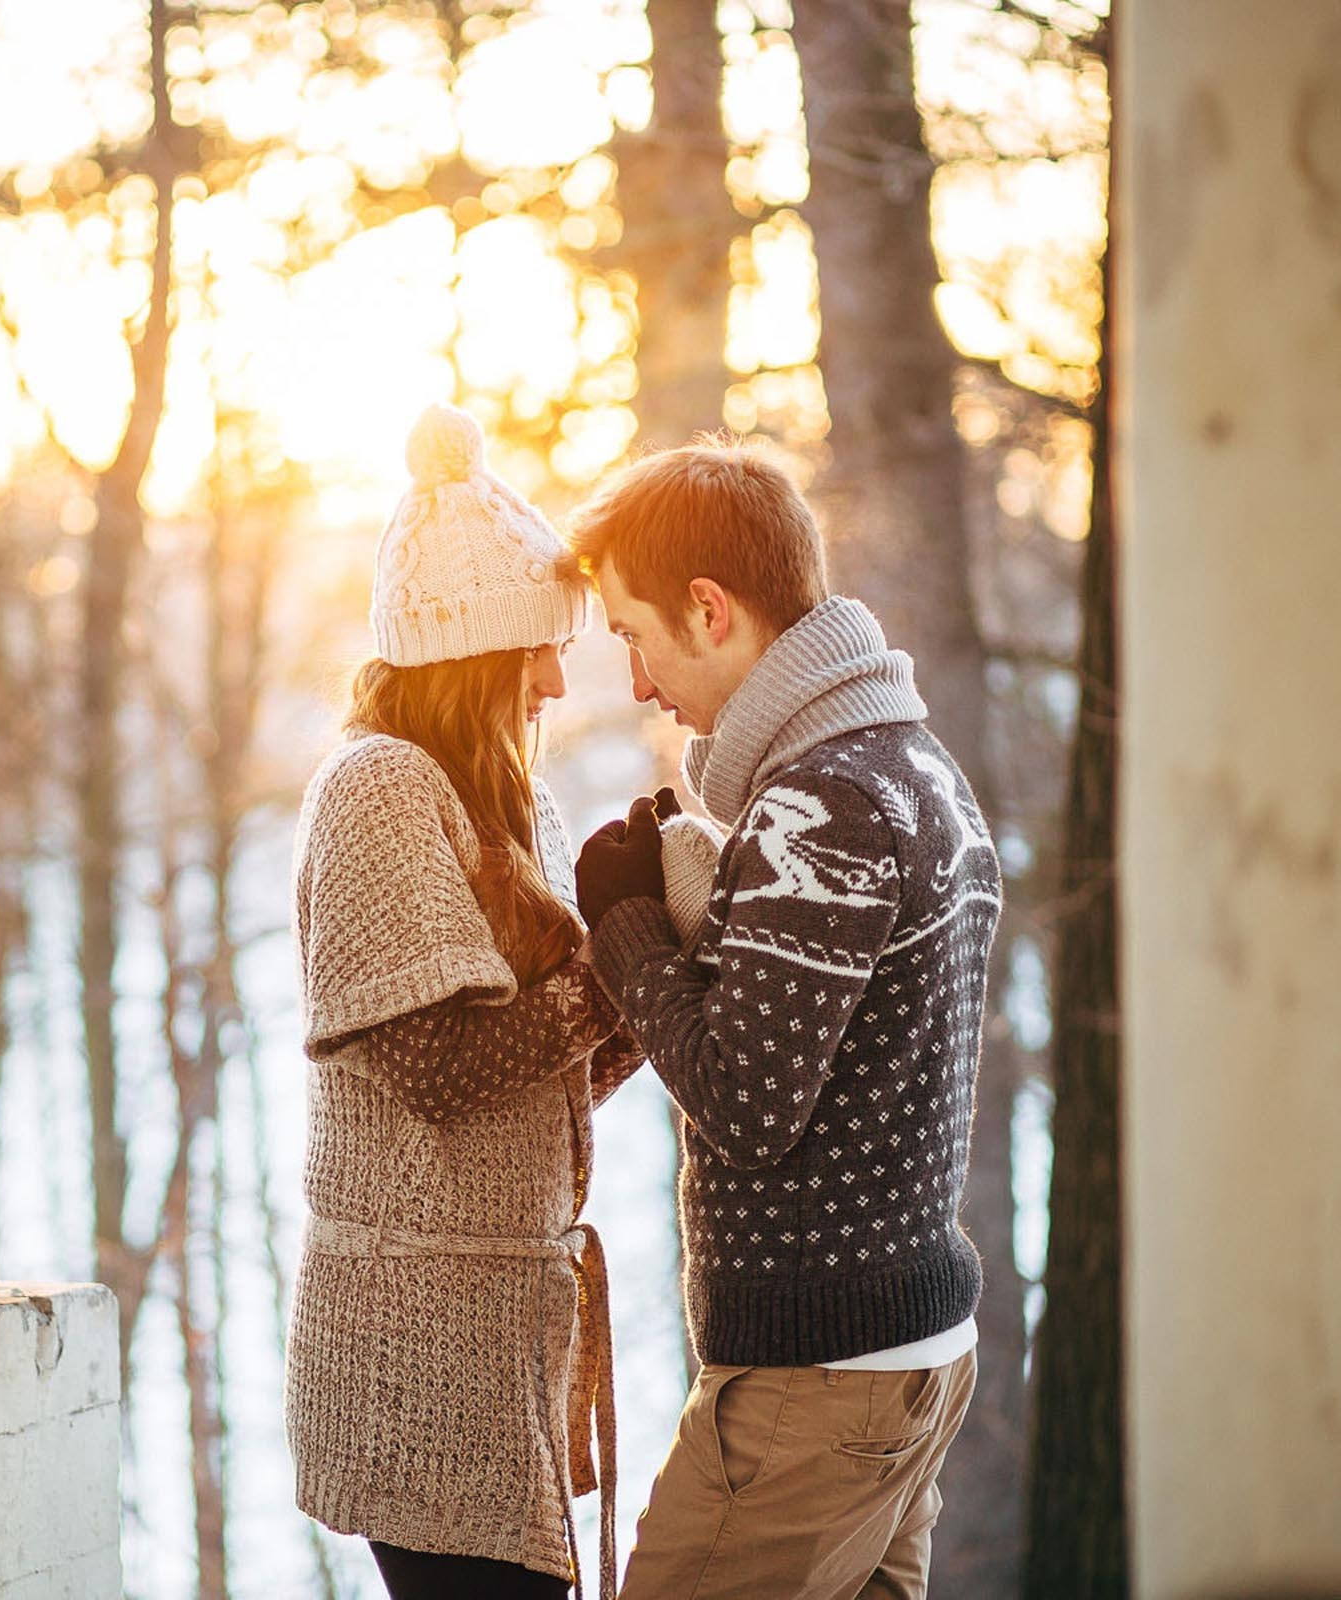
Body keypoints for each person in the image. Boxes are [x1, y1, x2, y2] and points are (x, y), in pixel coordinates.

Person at [567, 442, 1001, 1600]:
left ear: (710, 611)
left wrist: (622, 927)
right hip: (906, 1359)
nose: (641, 682)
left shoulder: (827, 798)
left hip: (819, 1384)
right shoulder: (915, 767)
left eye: (632, 636)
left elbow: (750, 1102)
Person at [286, 403, 637, 1600]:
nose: (554, 676)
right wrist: (617, 965)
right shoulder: (379, 789)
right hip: (414, 1349)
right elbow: (440, 1071)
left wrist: (663, 966)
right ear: (477, 652)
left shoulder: (490, 805)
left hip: (494, 1338)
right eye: (539, 644)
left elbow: (545, 1076)